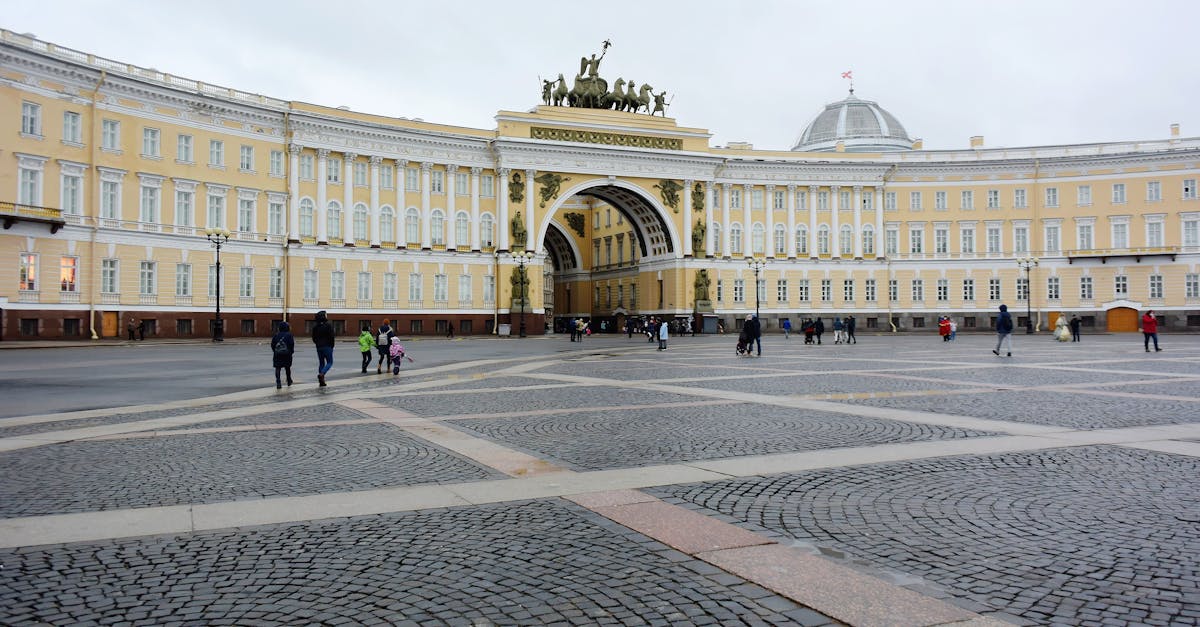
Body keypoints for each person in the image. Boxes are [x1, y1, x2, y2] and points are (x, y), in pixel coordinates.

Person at [311, 310, 335, 386]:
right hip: (327, 346)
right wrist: (332, 345)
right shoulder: (328, 325)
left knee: (321, 363)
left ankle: (322, 381)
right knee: (329, 362)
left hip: (319, 347)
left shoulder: (315, 327)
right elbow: (331, 336)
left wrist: (317, 344)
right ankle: (322, 374)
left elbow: (313, 337)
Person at [270, 321, 295, 389]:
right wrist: (291, 352)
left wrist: (275, 351)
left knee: (278, 368)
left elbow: (272, 344)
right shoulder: (289, 335)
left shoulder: (276, 335)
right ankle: (289, 380)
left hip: (277, 354)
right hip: (287, 354)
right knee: (287, 368)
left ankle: (278, 382)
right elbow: (291, 344)